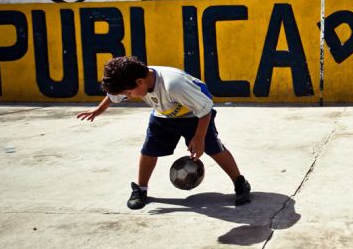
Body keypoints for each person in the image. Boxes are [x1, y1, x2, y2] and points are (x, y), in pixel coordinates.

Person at [76, 56, 251, 210]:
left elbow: (205, 109)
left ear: (140, 82)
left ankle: (240, 182)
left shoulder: (173, 85)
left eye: (128, 93)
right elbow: (113, 95)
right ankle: (141, 190)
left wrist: (199, 137)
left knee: (214, 148)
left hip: (194, 115)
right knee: (149, 152)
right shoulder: (130, 80)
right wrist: (98, 110)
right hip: (163, 115)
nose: (128, 97)